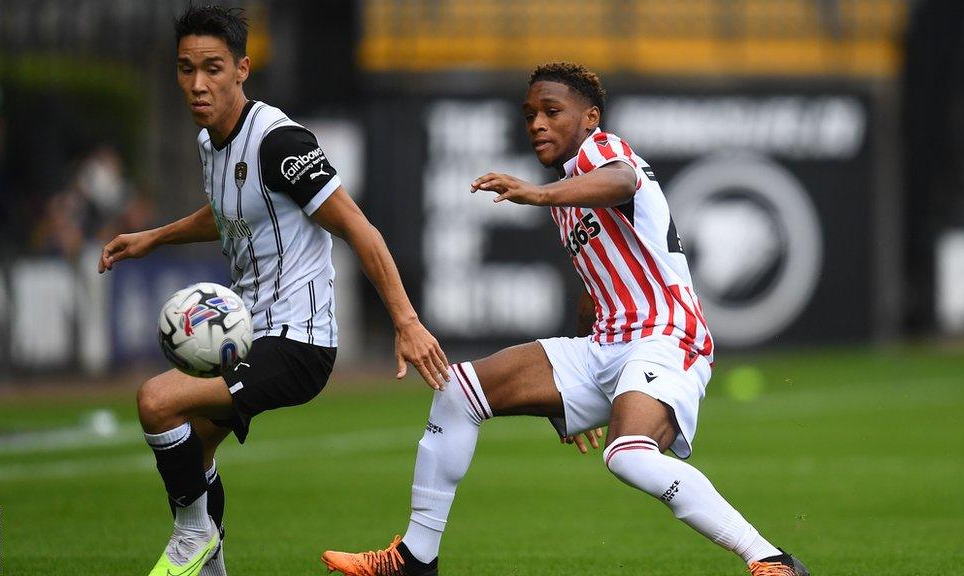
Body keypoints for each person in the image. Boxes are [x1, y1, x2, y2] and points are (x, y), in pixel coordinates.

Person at [320, 62, 809, 576]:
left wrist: (538, 193)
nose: (537, 123)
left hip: (664, 334)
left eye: (552, 111)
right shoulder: (569, 196)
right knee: (458, 390)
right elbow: (594, 293)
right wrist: (568, 397)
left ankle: (770, 560)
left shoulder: (599, 154)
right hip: (606, 346)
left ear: (590, 116)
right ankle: (414, 559)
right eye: (530, 114)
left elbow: (622, 179)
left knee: (629, 455)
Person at [97, 6, 450, 576]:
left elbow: (358, 227)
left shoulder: (280, 141)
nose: (197, 83)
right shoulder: (210, 143)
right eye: (185, 69)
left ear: (242, 69)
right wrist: (154, 238)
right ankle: (210, 562)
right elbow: (230, 213)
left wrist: (406, 321)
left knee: (156, 402)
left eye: (212, 68)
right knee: (194, 449)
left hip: (298, 342)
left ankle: (194, 538)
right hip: (251, 336)